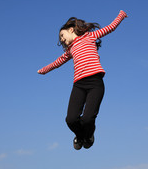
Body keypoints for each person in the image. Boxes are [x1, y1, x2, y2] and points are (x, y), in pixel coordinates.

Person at [38, 10, 128, 150]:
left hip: (95, 83)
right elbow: (58, 62)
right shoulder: (70, 50)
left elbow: (110, 28)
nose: (61, 39)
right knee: (71, 119)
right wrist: (45, 69)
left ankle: (89, 135)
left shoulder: (90, 36)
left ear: (71, 29)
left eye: (62, 35)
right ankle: (80, 136)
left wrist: (120, 16)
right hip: (79, 85)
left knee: (87, 119)